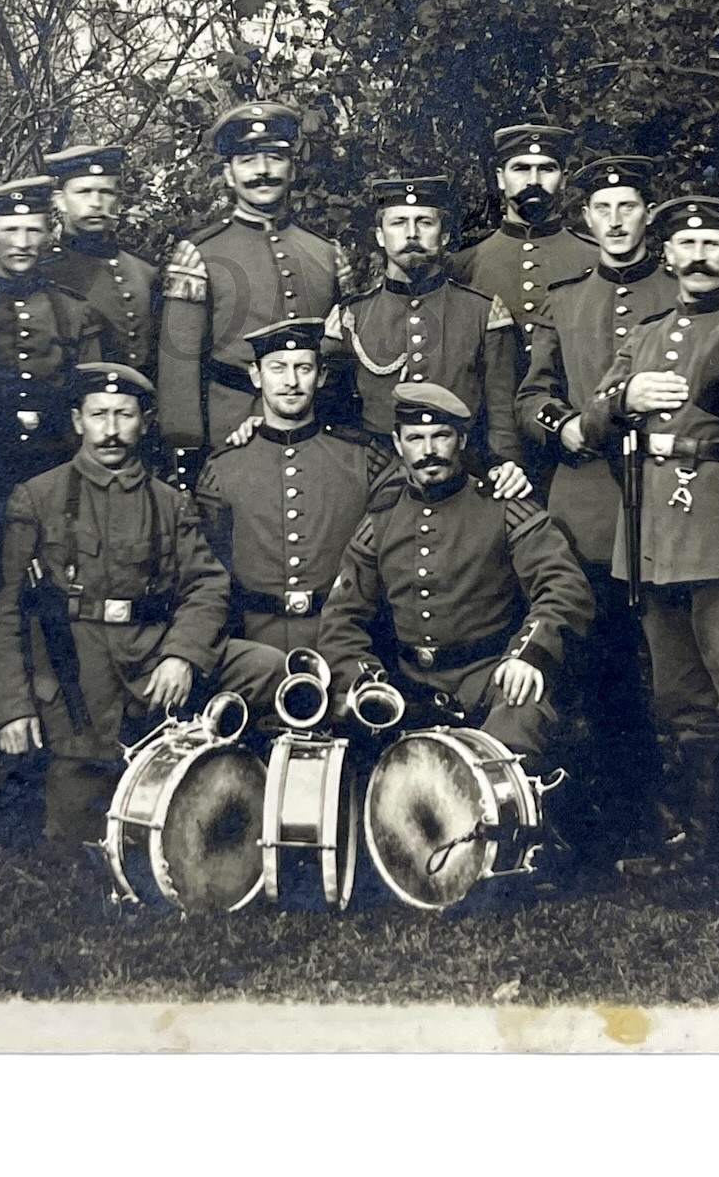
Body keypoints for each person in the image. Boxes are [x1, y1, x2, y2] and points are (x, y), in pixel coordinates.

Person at [582, 192, 719, 903]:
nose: (698, 256)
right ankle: (704, 846)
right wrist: (624, 398)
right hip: (651, 532)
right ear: (665, 256)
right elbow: (591, 422)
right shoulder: (642, 334)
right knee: (678, 695)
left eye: (714, 244)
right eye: (685, 245)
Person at [0, 364, 282, 843]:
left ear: (145, 422)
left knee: (265, 666)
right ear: (78, 421)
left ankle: (228, 773)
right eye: (99, 415)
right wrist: (11, 708)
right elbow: (2, 609)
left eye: (125, 415)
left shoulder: (169, 502)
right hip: (77, 671)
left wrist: (182, 655)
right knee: (80, 832)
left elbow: (206, 584)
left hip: (152, 659)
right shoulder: (38, 498)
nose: (112, 430)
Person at [513, 154, 679, 867]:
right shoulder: (564, 295)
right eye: (602, 209)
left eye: (629, 207)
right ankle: (610, 810)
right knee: (602, 662)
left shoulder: (684, 289)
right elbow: (529, 397)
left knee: (677, 661)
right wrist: (565, 428)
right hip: (587, 499)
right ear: (585, 219)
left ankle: (690, 815)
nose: (615, 221)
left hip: (674, 498)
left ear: (649, 215)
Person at [314, 383, 592, 769]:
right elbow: (342, 618)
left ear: (461, 438)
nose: (428, 451)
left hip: (490, 679)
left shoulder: (503, 506)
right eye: (415, 438)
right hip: (407, 688)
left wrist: (529, 654)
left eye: (440, 436)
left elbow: (564, 586)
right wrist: (368, 680)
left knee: (518, 726)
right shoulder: (380, 520)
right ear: (398, 443)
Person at [157, 102, 341, 483]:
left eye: (274, 158)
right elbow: (180, 366)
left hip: (318, 431)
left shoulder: (326, 253)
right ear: (228, 173)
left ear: (292, 167)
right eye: (248, 161)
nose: (262, 172)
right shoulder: (200, 254)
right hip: (230, 432)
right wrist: (186, 452)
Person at [193, 318, 393, 658]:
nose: (291, 382)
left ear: (322, 375)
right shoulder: (221, 469)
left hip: (345, 645)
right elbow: (210, 578)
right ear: (256, 376)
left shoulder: (364, 460)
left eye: (303, 368)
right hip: (256, 649)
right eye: (277, 368)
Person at [325, 174, 528, 490]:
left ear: (444, 235)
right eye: (398, 223)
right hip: (374, 481)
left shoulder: (483, 313)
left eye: (424, 223)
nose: (411, 233)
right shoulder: (351, 316)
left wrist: (506, 466)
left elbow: (502, 414)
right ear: (379, 235)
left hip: (464, 477)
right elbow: (333, 413)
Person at [0, 175, 119, 545]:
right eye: (11, 229)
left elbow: (90, 393)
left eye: (33, 231)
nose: (23, 243)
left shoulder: (72, 309)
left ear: (47, 234)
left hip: (53, 459)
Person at [447, 122, 596, 355]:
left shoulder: (595, 259)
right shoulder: (464, 265)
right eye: (521, 169)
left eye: (547, 169)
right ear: (500, 178)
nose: (534, 181)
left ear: (564, 179)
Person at [40, 142, 161, 367]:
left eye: (106, 192)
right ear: (59, 201)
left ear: (118, 202)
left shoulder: (145, 271)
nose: (96, 203)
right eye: (83, 192)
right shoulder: (45, 271)